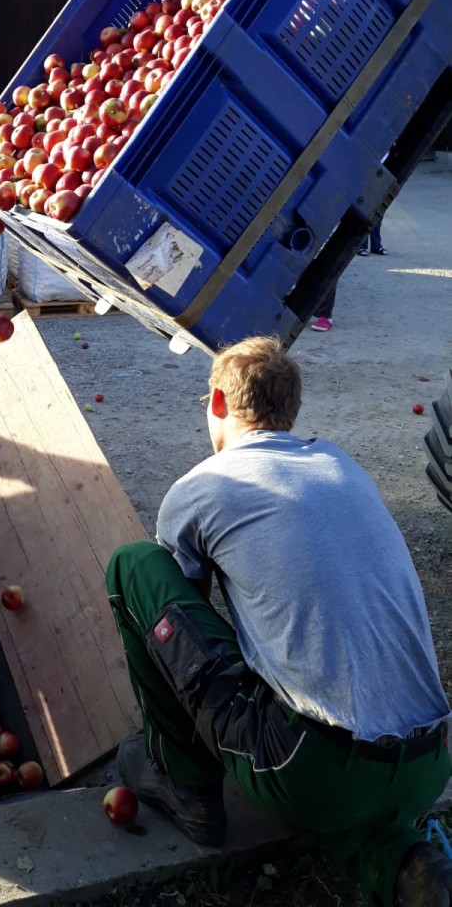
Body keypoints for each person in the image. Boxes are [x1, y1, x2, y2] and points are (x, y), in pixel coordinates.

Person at [106, 336, 451, 907]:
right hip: (429, 761)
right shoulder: (340, 464)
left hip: (311, 767)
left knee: (135, 565)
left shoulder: (200, 488)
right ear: (289, 411)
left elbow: (183, 637)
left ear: (216, 402)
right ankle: (409, 866)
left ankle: (182, 782)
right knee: (342, 803)